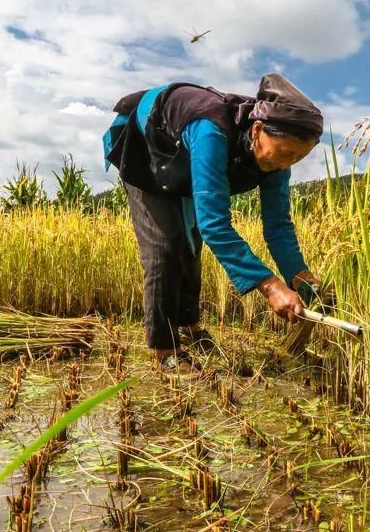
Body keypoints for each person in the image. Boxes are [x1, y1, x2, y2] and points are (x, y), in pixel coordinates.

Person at [102, 73, 326, 374]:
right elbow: (216, 224)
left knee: (192, 243)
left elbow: (278, 226)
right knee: (166, 247)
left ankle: (190, 326)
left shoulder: (278, 161)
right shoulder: (211, 130)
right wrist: (270, 286)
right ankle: (164, 348)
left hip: (183, 158)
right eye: (285, 152)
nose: (288, 163)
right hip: (147, 150)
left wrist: (300, 277)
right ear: (257, 129)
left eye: (299, 158)